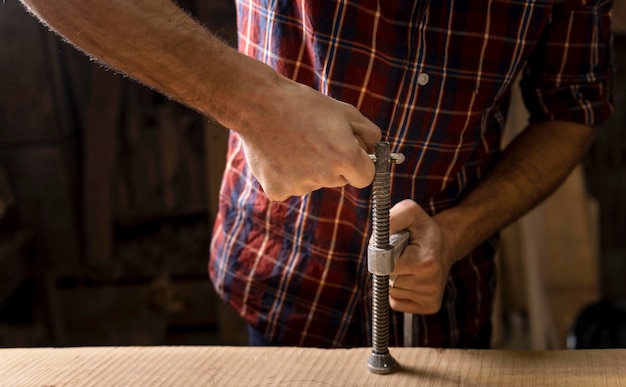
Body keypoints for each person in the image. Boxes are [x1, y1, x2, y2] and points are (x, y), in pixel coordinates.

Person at [21, 0, 614, 348]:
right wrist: (251, 104)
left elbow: (572, 110)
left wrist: (457, 232)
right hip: (282, 276)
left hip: (445, 303)